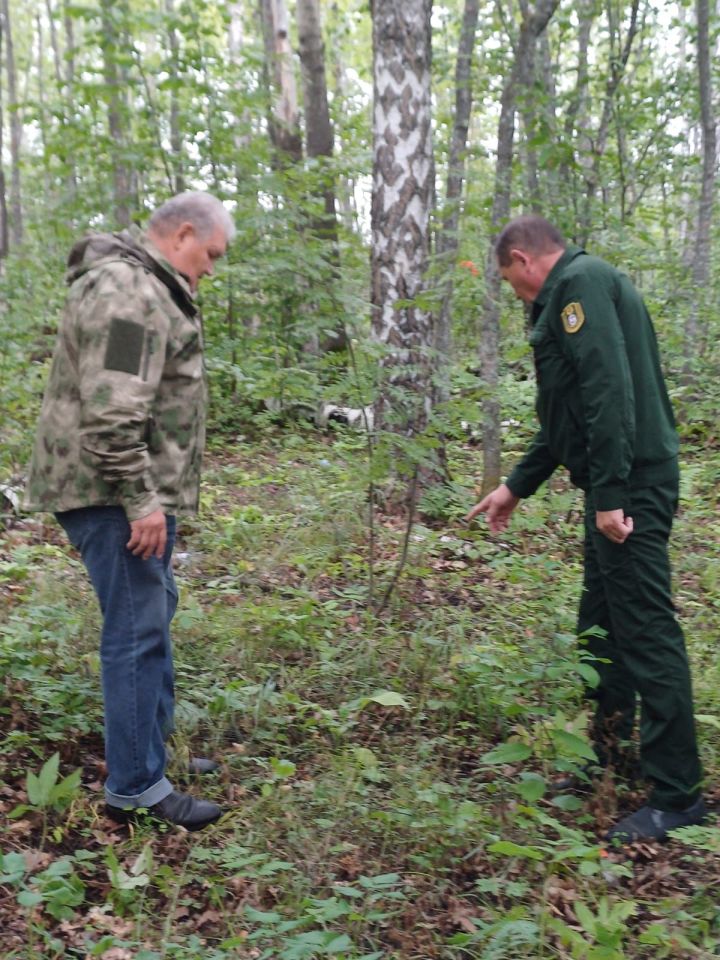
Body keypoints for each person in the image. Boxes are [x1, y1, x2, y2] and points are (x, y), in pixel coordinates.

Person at [466, 215, 706, 843]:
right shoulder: (573, 288)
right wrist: (515, 485)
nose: (517, 295)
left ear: (523, 260)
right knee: (599, 625)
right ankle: (609, 755)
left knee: (646, 630)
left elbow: (609, 392)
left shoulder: (581, 285)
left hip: (631, 486)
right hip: (616, 484)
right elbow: (569, 413)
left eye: (510, 283)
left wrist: (611, 495)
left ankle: (679, 793)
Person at [24, 192, 235, 831]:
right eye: (211, 255)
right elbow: (113, 411)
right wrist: (142, 500)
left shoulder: (141, 285)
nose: (211, 269)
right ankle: (137, 788)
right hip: (114, 492)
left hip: (122, 492)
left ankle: (148, 754)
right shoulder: (130, 292)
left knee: (151, 614)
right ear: (183, 235)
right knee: (137, 630)